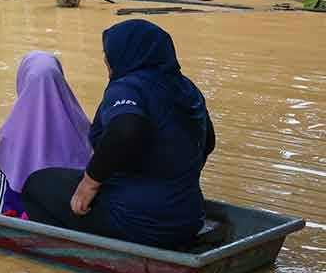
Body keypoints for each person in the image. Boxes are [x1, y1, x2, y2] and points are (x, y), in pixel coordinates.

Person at [22, 20, 216, 249]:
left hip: (139, 221)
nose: (106, 59)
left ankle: (75, 257)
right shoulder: (188, 88)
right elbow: (208, 141)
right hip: (189, 218)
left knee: (36, 185)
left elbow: (126, 129)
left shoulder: (128, 87)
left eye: (108, 53)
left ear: (127, 52)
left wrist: (90, 183)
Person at [0, 51, 92, 217]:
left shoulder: (10, 135)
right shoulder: (84, 129)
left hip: (22, 215)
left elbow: (4, 200)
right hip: (67, 217)